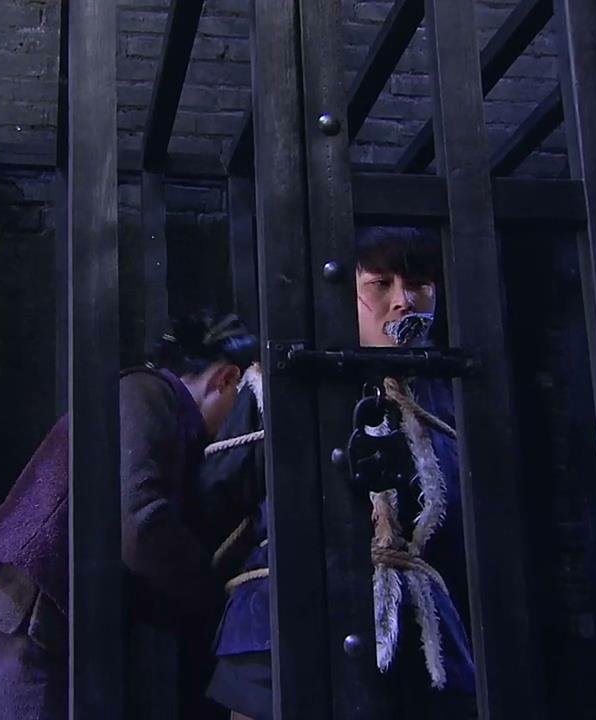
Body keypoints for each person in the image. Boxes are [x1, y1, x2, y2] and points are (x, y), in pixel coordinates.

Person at [203, 226, 477, 719]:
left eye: (418, 284)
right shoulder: (275, 388)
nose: (403, 301)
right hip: (275, 632)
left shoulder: (450, 394)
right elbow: (220, 496)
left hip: (414, 632)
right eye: (381, 284)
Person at [0, 310, 259, 720]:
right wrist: (214, 592)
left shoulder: (145, 402)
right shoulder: (148, 393)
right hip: (20, 631)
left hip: (1, 626)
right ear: (227, 379)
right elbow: (140, 524)